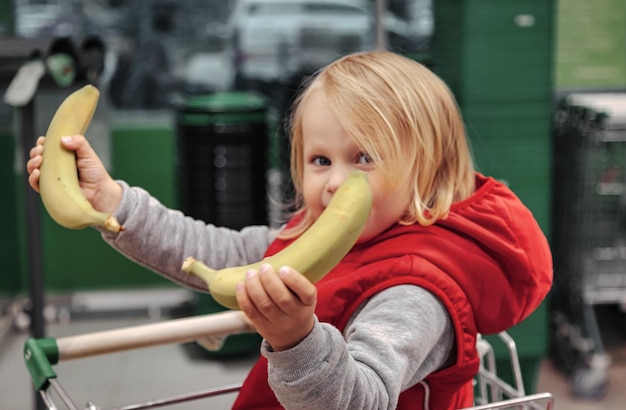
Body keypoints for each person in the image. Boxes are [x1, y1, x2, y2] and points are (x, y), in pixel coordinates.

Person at [27, 51, 553, 409]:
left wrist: (297, 339)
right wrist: (115, 203)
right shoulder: (317, 236)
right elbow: (220, 251)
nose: (335, 182)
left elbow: (362, 397)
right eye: (320, 159)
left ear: (429, 169)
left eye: (364, 157)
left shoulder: (416, 293)